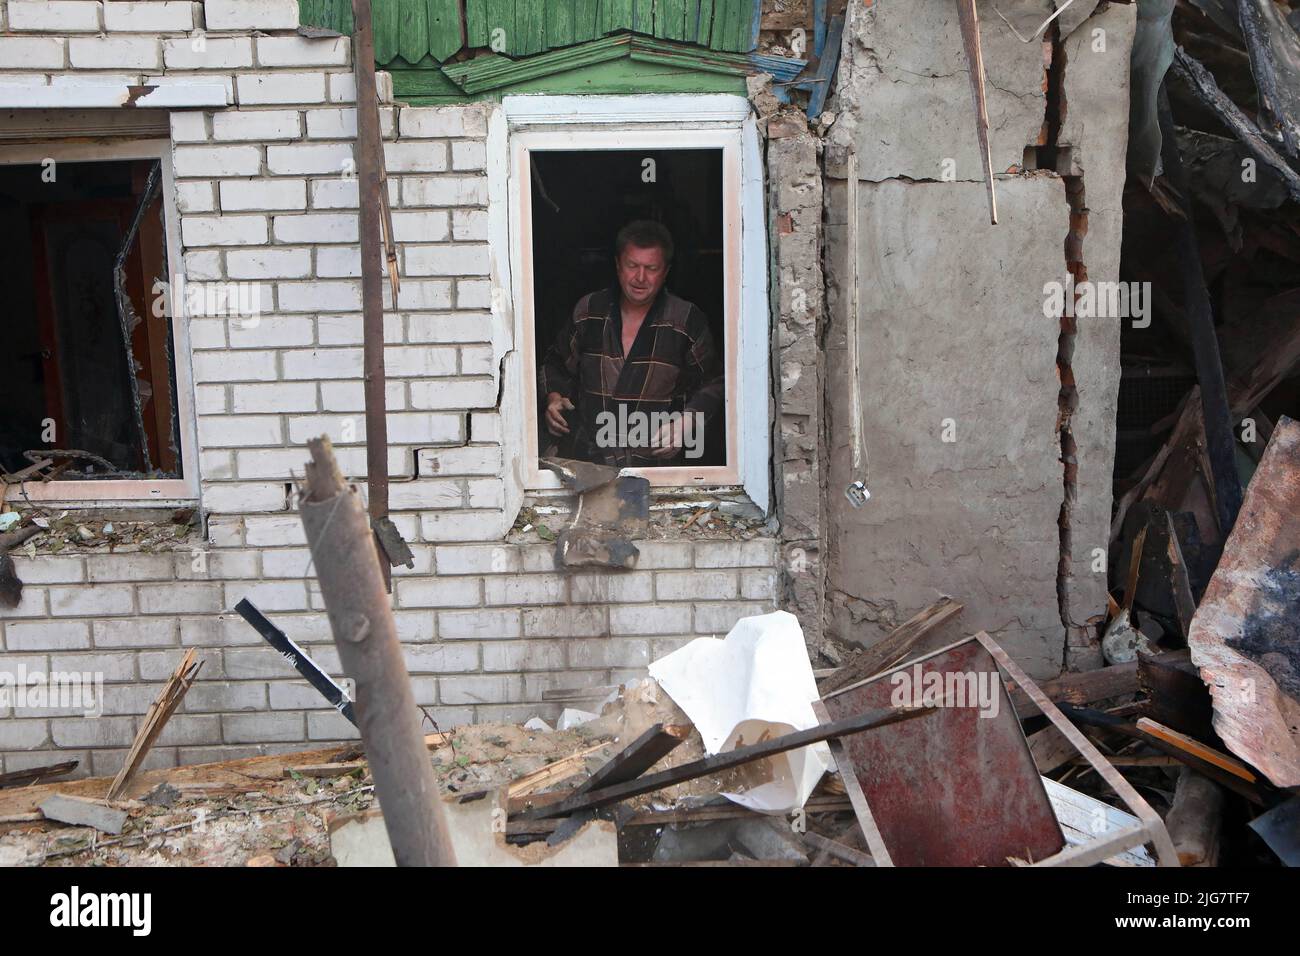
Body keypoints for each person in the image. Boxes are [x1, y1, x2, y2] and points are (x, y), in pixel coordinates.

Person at [539, 220, 723, 467]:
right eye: (632, 265)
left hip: (657, 465)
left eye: (651, 268)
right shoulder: (589, 311)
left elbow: (715, 382)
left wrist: (688, 421)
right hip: (588, 463)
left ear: (666, 271)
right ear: (617, 265)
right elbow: (556, 363)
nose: (640, 277)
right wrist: (554, 398)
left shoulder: (686, 320)